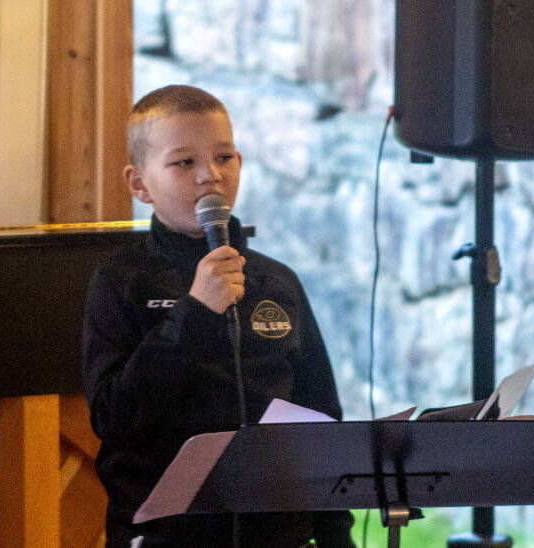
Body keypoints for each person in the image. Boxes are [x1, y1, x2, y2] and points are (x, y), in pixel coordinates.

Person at [82, 84, 355, 547]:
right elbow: (115, 418)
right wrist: (196, 313)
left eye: (224, 157)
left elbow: (320, 417)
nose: (209, 175)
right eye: (184, 162)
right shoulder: (121, 281)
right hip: (166, 534)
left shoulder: (276, 282)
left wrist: (334, 536)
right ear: (139, 184)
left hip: (278, 534)